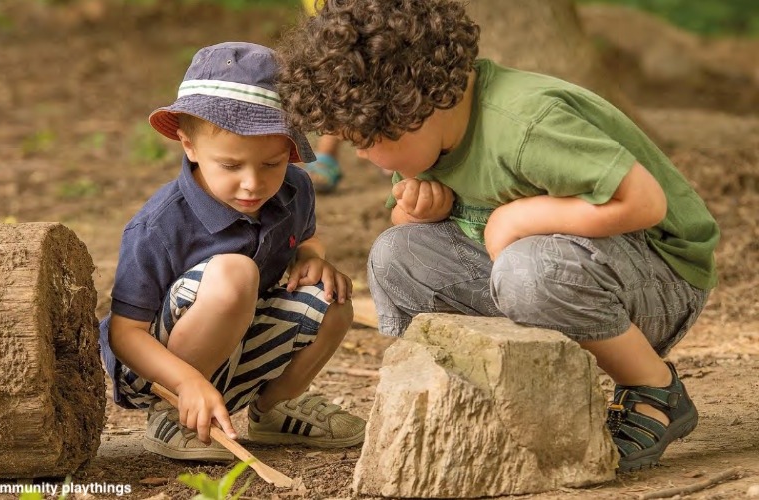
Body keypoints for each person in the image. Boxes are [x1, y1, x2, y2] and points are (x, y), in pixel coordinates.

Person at [275, 0, 720, 472]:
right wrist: (427, 210)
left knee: (528, 268)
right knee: (395, 255)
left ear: (413, 104)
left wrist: (518, 217)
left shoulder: (525, 122)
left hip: (656, 279)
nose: (361, 155)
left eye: (364, 139)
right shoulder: (423, 141)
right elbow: (412, 234)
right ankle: (478, 398)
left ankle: (654, 389)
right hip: (543, 276)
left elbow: (644, 203)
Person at [98, 41, 365, 462]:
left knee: (335, 301)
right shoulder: (161, 225)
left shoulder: (295, 189)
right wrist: (184, 383)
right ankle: (172, 415)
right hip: (158, 369)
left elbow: (306, 236)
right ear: (189, 146)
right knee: (234, 274)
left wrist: (312, 257)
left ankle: (272, 408)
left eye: (271, 164)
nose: (252, 184)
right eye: (230, 166)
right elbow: (125, 334)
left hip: (240, 347)